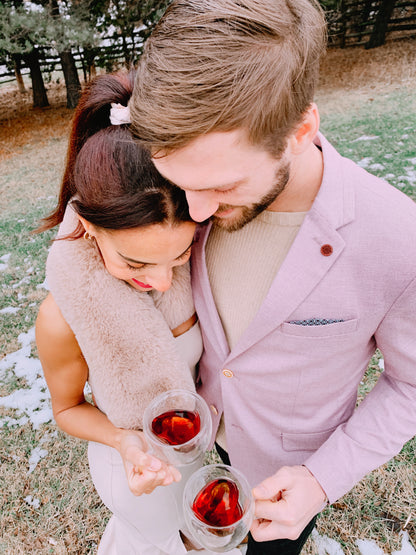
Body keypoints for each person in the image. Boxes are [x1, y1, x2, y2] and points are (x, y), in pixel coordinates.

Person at [129, 1, 416, 553]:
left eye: (223, 186)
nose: (195, 210)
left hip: (287, 479)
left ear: (300, 128)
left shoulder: (397, 237)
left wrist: (321, 480)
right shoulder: (187, 187)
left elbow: (408, 383)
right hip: (193, 441)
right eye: (179, 181)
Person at [35, 70, 209, 554]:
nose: (161, 281)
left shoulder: (201, 266)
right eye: (134, 262)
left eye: (177, 257)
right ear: (88, 226)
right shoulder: (61, 318)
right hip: (131, 465)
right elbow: (67, 408)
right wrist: (124, 441)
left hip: (192, 448)